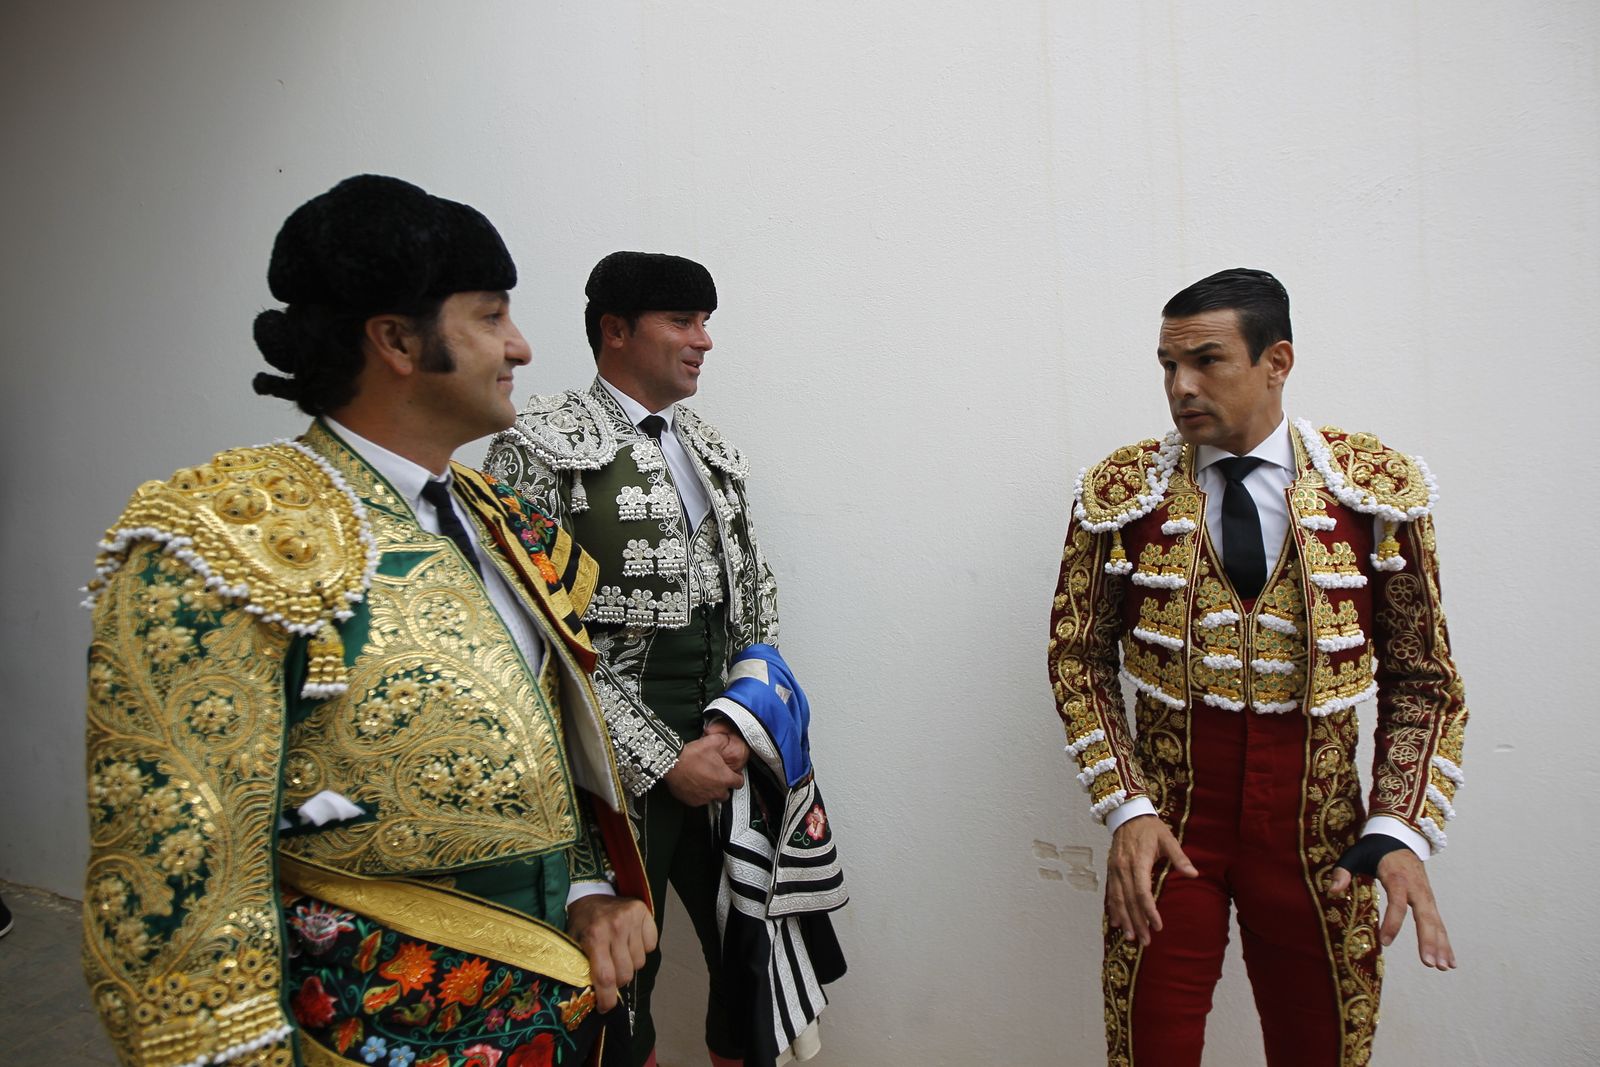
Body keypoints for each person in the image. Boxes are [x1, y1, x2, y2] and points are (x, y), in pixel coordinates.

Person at [82, 175, 655, 1067]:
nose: (522, 345)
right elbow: (179, 895)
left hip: (555, 1010)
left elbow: (548, 761)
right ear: (395, 339)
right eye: (491, 315)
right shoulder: (224, 540)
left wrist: (587, 887)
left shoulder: (504, 520)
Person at [1046, 268, 1468, 1066]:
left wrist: (1397, 825)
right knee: (1149, 1051)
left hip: (1322, 833)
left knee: (1324, 1049)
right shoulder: (1120, 493)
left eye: (1206, 360)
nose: (1181, 386)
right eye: (1169, 364)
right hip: (1171, 825)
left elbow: (1425, 681)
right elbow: (1079, 657)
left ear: (1278, 361)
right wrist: (1126, 805)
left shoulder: (1373, 492)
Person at [485, 252, 784, 1067]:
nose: (704, 340)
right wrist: (662, 758)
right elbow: (534, 633)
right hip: (607, 772)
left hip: (724, 754)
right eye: (682, 321)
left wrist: (738, 726)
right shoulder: (535, 443)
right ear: (615, 330)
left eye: (705, 322)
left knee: (754, 962)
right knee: (613, 988)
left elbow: (757, 599)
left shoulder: (713, 448)